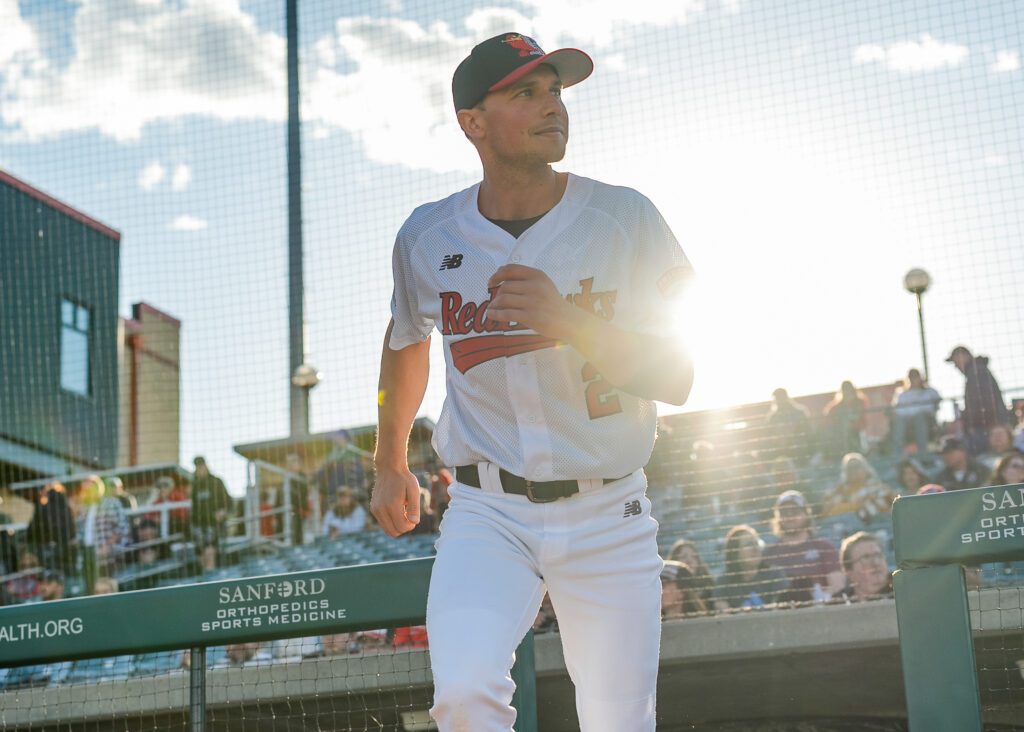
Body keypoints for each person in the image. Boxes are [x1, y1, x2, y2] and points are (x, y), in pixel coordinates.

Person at [371, 31, 694, 732]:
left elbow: (680, 375)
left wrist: (571, 321)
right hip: (488, 513)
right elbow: (406, 344)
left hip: (608, 511)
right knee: (463, 697)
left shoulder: (625, 216)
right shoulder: (428, 235)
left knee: (618, 722)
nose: (553, 106)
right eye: (527, 92)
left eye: (555, 90)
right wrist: (390, 461)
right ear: (473, 123)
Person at [761, 490, 844, 602]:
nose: (790, 516)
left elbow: (838, 585)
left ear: (806, 514)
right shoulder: (768, 553)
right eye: (784, 512)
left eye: (795, 511)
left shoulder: (824, 548)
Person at [946, 345, 1012, 454]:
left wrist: (968, 421)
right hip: (987, 426)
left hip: (986, 427)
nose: (955, 365)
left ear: (963, 356)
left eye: (955, 360)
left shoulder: (977, 371)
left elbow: (985, 402)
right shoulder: (976, 370)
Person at [713, 524, 789, 610]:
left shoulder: (775, 575)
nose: (755, 548)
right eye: (749, 544)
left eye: (756, 543)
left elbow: (780, 610)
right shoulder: (723, 582)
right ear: (735, 553)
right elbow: (724, 618)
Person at [822, 453, 898, 524]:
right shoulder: (838, 491)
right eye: (849, 468)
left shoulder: (878, 487)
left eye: (856, 466)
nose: (852, 470)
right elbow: (828, 514)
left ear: (865, 469)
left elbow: (895, 505)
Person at [190, 457, 233, 571]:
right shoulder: (195, 485)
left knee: (209, 549)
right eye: (197, 466)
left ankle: (211, 576)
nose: (200, 468)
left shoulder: (216, 482)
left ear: (206, 466)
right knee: (200, 552)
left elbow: (229, 502)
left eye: (201, 465)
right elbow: (193, 507)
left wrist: (222, 512)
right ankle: (205, 576)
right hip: (199, 524)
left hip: (214, 523)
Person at [24, 481, 75, 573]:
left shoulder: (43, 508)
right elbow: (72, 530)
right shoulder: (66, 509)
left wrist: (29, 539)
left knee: (46, 573)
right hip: (63, 547)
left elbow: (33, 528)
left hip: (44, 547)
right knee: (61, 572)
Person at [889, 368, 940, 456]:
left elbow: (934, 407)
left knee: (919, 418)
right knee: (899, 421)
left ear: (920, 377)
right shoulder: (902, 394)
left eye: (915, 376)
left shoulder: (930, 392)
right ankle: (896, 453)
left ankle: (923, 452)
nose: (913, 379)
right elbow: (899, 411)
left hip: (925, 420)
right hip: (906, 420)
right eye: (911, 377)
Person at [834, 532, 892, 602]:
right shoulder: (839, 603)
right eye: (866, 558)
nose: (876, 563)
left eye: (878, 555)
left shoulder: (902, 593)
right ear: (849, 572)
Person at [823, 381, 869, 458]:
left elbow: (864, 420)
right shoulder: (837, 406)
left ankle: (861, 453)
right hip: (842, 435)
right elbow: (827, 418)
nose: (847, 394)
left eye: (849, 391)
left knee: (857, 443)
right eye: (845, 391)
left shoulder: (860, 402)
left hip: (858, 432)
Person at [765, 388, 813, 463]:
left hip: (800, 454)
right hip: (782, 455)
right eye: (777, 398)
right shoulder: (773, 418)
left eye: (781, 397)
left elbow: (809, 434)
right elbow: (770, 438)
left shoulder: (799, 413)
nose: (780, 400)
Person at [665, 539, 715, 605]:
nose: (689, 560)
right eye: (683, 557)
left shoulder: (709, 588)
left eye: (694, 557)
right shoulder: (667, 592)